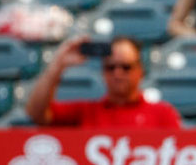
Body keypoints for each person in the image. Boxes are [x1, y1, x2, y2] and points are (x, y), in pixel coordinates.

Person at [25, 36, 182, 128]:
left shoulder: (163, 114)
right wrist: (58, 64)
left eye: (126, 67)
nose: (117, 73)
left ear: (140, 71)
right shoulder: (85, 112)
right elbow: (36, 113)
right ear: (102, 72)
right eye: (110, 67)